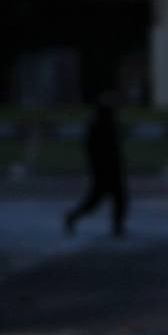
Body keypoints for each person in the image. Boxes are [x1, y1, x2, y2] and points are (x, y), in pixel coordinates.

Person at [63, 92, 127, 237]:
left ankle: (117, 227)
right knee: (103, 200)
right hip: (106, 169)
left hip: (106, 169)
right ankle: (116, 227)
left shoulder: (102, 122)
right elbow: (98, 148)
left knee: (106, 199)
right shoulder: (101, 123)